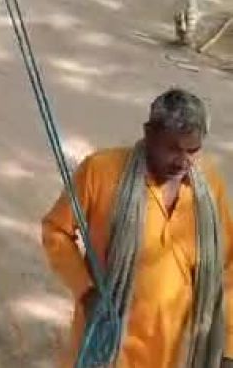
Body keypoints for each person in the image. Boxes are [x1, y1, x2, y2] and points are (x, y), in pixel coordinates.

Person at [42, 88, 233, 368]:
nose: (183, 161)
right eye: (172, 148)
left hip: (177, 351)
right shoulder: (100, 171)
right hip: (109, 344)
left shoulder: (210, 185)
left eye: (192, 150)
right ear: (149, 133)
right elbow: (56, 231)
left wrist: (228, 347)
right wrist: (86, 290)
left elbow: (227, 268)